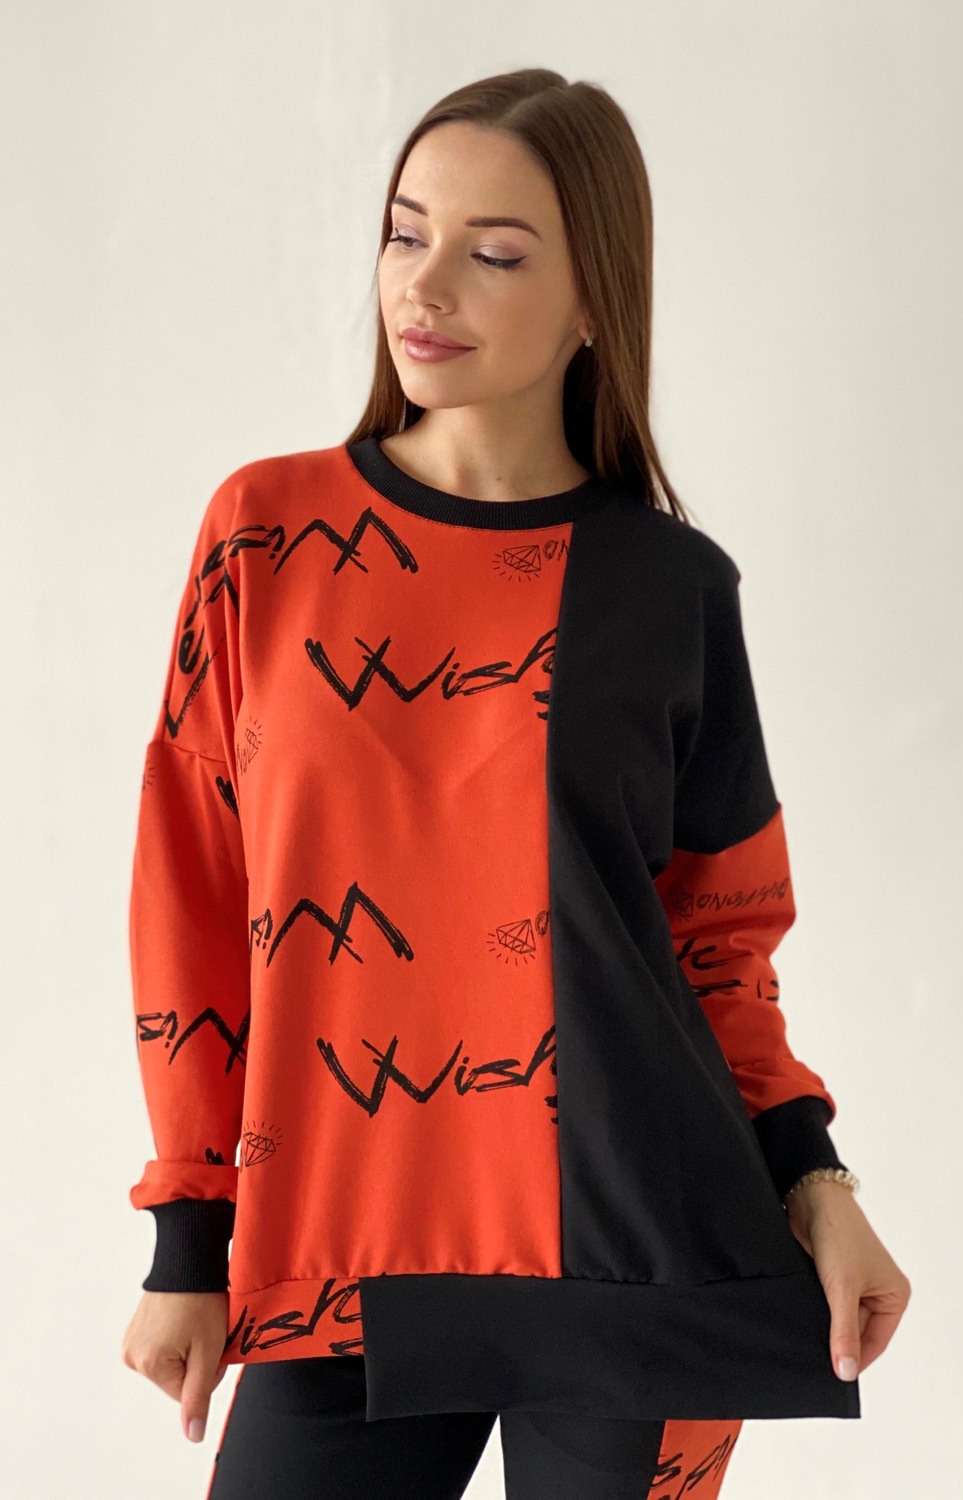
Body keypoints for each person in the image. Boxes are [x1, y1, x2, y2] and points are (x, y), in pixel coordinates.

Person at [120, 67, 911, 1500]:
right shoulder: (266, 535)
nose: (424, 286)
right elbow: (192, 889)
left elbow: (719, 944)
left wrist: (818, 1180)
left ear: (593, 300)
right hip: (340, 1254)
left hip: (640, 1249)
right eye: (405, 232)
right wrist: (189, 1236)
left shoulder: (671, 588)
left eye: (493, 254)